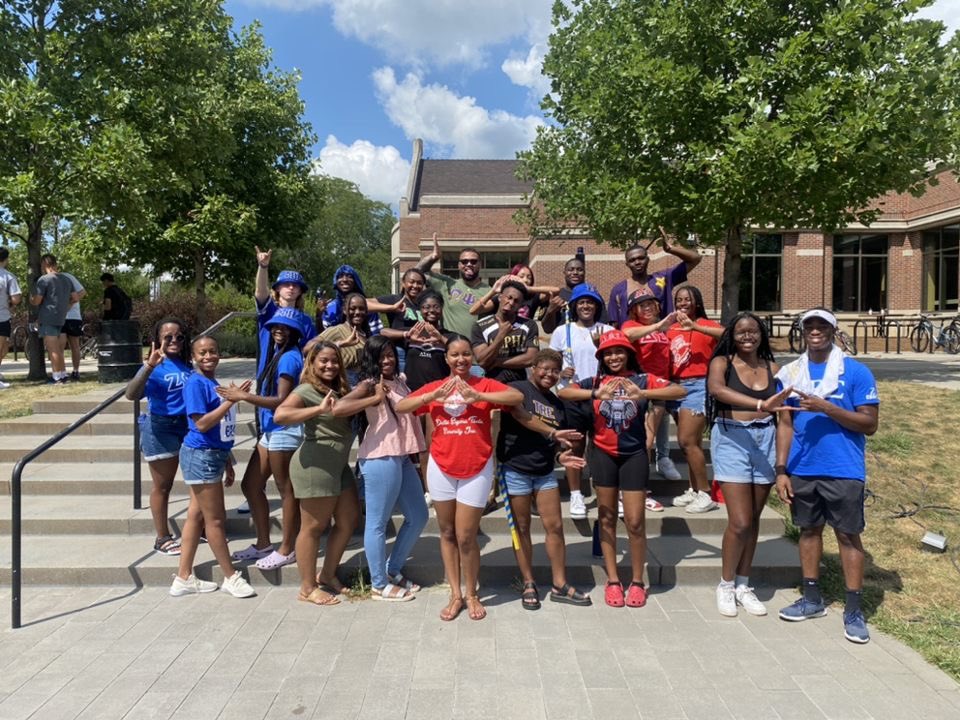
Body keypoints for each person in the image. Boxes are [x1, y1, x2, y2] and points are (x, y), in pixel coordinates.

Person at [396, 335, 523, 621]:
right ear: (447, 358)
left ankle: (472, 592)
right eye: (454, 355)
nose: (461, 359)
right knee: (447, 532)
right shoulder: (436, 387)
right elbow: (403, 407)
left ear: (472, 357)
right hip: (441, 466)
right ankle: (455, 594)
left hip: (476, 468)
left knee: (466, 536)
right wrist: (432, 397)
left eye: (466, 354)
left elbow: (517, 397)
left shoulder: (483, 384)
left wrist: (480, 397)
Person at [774, 308, 879, 644]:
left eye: (822, 326)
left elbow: (870, 424)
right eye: (809, 326)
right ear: (803, 332)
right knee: (808, 531)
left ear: (833, 332)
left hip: (843, 468)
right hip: (803, 468)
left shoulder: (856, 372)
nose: (815, 331)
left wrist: (828, 408)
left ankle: (853, 609)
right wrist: (781, 470)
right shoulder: (791, 373)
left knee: (847, 536)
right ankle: (812, 598)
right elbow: (785, 424)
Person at [558, 330, 684, 608]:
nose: (614, 357)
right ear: (601, 357)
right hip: (603, 455)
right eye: (608, 353)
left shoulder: (641, 379)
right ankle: (613, 580)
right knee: (606, 519)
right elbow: (564, 391)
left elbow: (679, 389)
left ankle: (637, 580)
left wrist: (644, 393)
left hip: (634, 455)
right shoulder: (596, 381)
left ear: (629, 354)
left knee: (636, 522)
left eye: (619, 351)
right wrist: (594, 392)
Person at [273, 342, 378, 607]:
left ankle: (328, 573)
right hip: (315, 467)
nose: (329, 365)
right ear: (312, 363)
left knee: (349, 519)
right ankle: (307, 587)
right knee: (313, 527)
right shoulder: (306, 390)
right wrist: (318, 410)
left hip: (338, 465)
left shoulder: (336, 389)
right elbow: (280, 415)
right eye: (323, 361)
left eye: (334, 361)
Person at [708, 312, 793, 617]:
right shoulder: (723, 363)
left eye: (753, 332)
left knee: (754, 520)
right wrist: (759, 404)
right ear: (732, 334)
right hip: (732, 438)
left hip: (765, 440)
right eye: (741, 332)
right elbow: (717, 390)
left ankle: (744, 584)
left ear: (762, 335)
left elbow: (785, 418)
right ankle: (726, 584)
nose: (747, 336)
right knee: (740, 521)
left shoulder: (774, 369)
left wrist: (782, 465)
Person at [498, 349, 592, 609]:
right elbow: (519, 414)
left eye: (555, 370)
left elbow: (558, 443)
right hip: (515, 469)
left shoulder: (557, 404)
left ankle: (559, 583)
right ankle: (528, 582)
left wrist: (560, 456)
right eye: (545, 369)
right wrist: (552, 434)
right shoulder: (517, 388)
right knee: (522, 528)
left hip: (544, 472)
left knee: (555, 527)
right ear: (534, 367)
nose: (549, 375)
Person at [170, 336, 256, 599]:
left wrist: (228, 460)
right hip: (201, 455)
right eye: (202, 353)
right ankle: (230, 576)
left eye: (213, 351)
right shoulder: (196, 383)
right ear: (194, 357)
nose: (209, 356)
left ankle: (183, 577)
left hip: (214, 455)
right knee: (215, 520)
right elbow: (202, 424)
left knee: (195, 517)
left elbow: (221, 427)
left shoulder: (212, 383)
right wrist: (232, 400)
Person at [229, 309, 305, 570]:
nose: (278, 330)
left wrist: (243, 397)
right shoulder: (278, 354)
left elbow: (282, 401)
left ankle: (287, 549)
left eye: (285, 327)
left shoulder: (289, 358)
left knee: (287, 492)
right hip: (271, 431)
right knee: (250, 485)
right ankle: (263, 544)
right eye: (274, 327)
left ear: (294, 332)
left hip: (286, 430)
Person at [356, 336, 428, 601]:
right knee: (377, 523)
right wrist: (371, 398)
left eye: (390, 355)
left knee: (419, 516)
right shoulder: (367, 385)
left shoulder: (399, 380)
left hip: (402, 456)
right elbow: (340, 407)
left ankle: (391, 569)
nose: (386, 360)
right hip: (380, 456)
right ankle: (377, 584)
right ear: (371, 359)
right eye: (380, 356)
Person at [125, 318, 193, 556]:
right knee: (163, 486)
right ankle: (162, 537)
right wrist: (149, 367)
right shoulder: (154, 365)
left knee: (197, 482)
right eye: (168, 337)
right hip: (160, 428)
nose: (174, 340)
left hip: (187, 425)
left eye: (179, 336)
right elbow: (131, 394)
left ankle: (198, 527)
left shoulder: (186, 364)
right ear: (157, 340)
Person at [547, 282, 613, 519]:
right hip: (572, 396)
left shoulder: (606, 330)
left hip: (601, 396)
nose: (586, 306)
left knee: (604, 447)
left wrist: (600, 347)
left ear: (597, 306)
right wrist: (559, 373)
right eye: (582, 302)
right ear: (574, 306)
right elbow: (550, 363)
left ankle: (609, 493)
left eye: (590, 302)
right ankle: (576, 494)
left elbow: (617, 362)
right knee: (574, 446)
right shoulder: (561, 331)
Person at [667, 285, 724, 513]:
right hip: (675, 386)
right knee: (692, 444)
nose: (683, 303)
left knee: (687, 441)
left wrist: (696, 327)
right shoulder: (670, 327)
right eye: (679, 299)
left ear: (697, 302)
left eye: (687, 299)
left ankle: (704, 493)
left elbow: (730, 334)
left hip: (698, 385)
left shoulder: (707, 325)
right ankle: (693, 489)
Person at [621, 287, 681, 485]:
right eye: (641, 305)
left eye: (650, 304)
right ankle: (639, 476)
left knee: (659, 425)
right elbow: (627, 335)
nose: (646, 308)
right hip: (639, 384)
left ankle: (662, 459)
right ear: (634, 310)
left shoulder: (666, 329)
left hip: (662, 385)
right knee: (644, 434)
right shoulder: (631, 324)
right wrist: (658, 327)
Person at [607, 230, 702, 326]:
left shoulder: (663, 278)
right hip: (632, 338)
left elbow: (695, 259)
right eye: (632, 260)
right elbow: (613, 323)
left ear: (647, 259)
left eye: (641, 258)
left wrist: (670, 249)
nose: (637, 262)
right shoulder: (618, 290)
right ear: (627, 264)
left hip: (662, 338)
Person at [414, 233, 492, 337]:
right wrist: (433, 257)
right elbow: (417, 273)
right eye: (464, 261)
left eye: (473, 261)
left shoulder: (489, 291)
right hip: (449, 346)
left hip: (477, 348)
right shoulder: (446, 283)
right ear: (459, 265)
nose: (469, 264)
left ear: (480, 264)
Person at [470, 280, 539, 383]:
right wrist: (501, 335)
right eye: (509, 297)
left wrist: (498, 362)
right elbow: (482, 361)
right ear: (500, 297)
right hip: (492, 383)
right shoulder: (480, 326)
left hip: (520, 384)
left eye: (516, 301)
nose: (511, 303)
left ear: (520, 305)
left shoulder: (529, 325)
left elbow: (532, 358)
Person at [29, 254, 78, 385]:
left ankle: (57, 377)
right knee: (58, 348)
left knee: (53, 349)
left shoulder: (44, 280)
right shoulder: (67, 279)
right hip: (61, 317)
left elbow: (37, 300)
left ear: (44, 264)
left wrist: (31, 299)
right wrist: (66, 307)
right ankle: (63, 374)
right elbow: (76, 297)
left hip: (48, 316)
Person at [469, 263, 561, 322]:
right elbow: (473, 311)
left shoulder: (533, 297)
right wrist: (493, 292)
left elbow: (556, 290)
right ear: (512, 277)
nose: (525, 280)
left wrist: (528, 289)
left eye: (529, 277)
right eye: (521, 276)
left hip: (525, 336)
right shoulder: (502, 298)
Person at [375, 268, 427, 371]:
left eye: (419, 283)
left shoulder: (425, 304)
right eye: (411, 282)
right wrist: (391, 308)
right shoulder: (395, 299)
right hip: (401, 352)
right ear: (403, 283)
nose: (415, 286)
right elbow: (365, 303)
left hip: (421, 351)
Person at [542, 256, 610, 334]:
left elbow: (602, 324)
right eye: (570, 270)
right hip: (564, 343)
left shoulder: (593, 295)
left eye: (579, 270)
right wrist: (550, 311)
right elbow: (548, 330)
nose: (575, 273)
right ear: (564, 273)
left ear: (584, 273)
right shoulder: (556, 296)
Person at [316, 292, 370, 387]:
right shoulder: (336, 330)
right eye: (352, 309)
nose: (357, 312)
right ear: (345, 310)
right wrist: (341, 343)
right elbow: (308, 349)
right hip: (342, 384)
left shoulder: (367, 336)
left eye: (361, 309)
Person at [319, 264, 383, 335]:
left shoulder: (366, 305)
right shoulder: (331, 307)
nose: (345, 279)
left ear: (355, 281)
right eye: (340, 276)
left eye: (349, 276)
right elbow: (324, 335)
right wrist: (318, 315)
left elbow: (377, 334)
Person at [0, 247, 22, 389]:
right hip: (1, 317)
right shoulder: (8, 276)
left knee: (3, 348)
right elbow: (16, 298)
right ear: (6, 259)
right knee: (2, 348)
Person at [59, 269, 86, 381]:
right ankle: (61, 372)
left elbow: (82, 292)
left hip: (73, 316)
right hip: (59, 317)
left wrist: (69, 303)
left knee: (74, 345)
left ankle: (75, 371)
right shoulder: (47, 279)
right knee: (60, 344)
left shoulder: (67, 276)